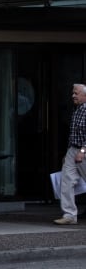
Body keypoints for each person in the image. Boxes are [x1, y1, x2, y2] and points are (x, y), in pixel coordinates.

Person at [54, 83, 86, 225]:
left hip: (83, 150)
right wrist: (68, 153)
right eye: (73, 93)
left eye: (76, 93)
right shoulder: (77, 109)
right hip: (73, 149)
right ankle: (70, 215)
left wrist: (83, 151)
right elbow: (73, 133)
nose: (73, 95)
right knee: (66, 181)